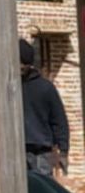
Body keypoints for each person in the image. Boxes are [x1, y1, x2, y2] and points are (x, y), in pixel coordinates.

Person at [22, 38, 70, 177]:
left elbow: (59, 121)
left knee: (43, 188)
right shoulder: (11, 88)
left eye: (22, 63)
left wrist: (63, 151)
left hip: (42, 152)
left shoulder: (45, 88)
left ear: (28, 64)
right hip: (18, 150)